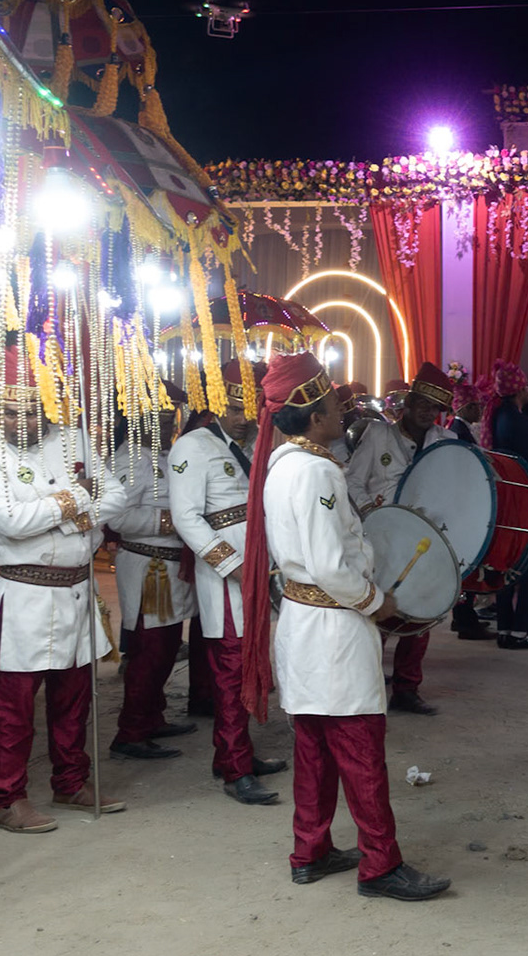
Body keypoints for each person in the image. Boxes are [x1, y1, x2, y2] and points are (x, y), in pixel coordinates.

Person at [240, 352, 450, 902]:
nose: (344, 409)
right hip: (334, 630)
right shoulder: (317, 471)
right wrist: (378, 602)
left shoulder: (283, 463)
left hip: (304, 627)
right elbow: (333, 566)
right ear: (313, 414)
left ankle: (310, 850)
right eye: (334, 402)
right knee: (360, 753)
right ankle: (381, 865)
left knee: (314, 749)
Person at [0, 344, 128, 833]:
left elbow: (115, 494)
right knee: (14, 706)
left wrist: (75, 517)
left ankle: (71, 781)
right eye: (10, 411)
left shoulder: (74, 440)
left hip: (76, 590)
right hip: (25, 594)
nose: (20, 420)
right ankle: (5, 797)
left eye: (31, 410)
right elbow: (10, 523)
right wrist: (75, 501)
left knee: (73, 697)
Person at [170, 360, 283, 806]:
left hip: (261, 570)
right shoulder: (192, 448)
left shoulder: (259, 442)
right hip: (227, 577)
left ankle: (236, 755)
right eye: (233, 409)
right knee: (232, 672)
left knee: (252, 664)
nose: (242, 418)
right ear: (217, 404)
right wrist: (231, 564)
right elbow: (186, 517)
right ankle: (235, 770)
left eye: (248, 409)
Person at [346, 360, 471, 707]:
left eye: (434, 407)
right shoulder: (378, 434)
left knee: (422, 610)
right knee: (378, 608)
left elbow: (457, 489)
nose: (427, 412)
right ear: (408, 402)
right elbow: (353, 480)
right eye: (421, 404)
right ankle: (366, 684)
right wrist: (373, 510)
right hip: (381, 537)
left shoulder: (446, 440)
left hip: (424, 538)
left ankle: (407, 688)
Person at [108, 384, 201, 763]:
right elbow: (116, 517)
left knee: (163, 649)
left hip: (168, 565)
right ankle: (130, 732)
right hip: (150, 569)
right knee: (151, 651)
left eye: (170, 420)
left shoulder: (164, 455)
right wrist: (169, 520)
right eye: (158, 420)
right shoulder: (130, 459)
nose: (165, 427)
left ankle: (152, 717)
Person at [488, 362, 528, 649]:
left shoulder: (498, 416)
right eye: (525, 386)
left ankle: (505, 628)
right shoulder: (518, 421)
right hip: (523, 498)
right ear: (518, 391)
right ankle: (521, 630)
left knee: (505, 561)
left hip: (504, 496)